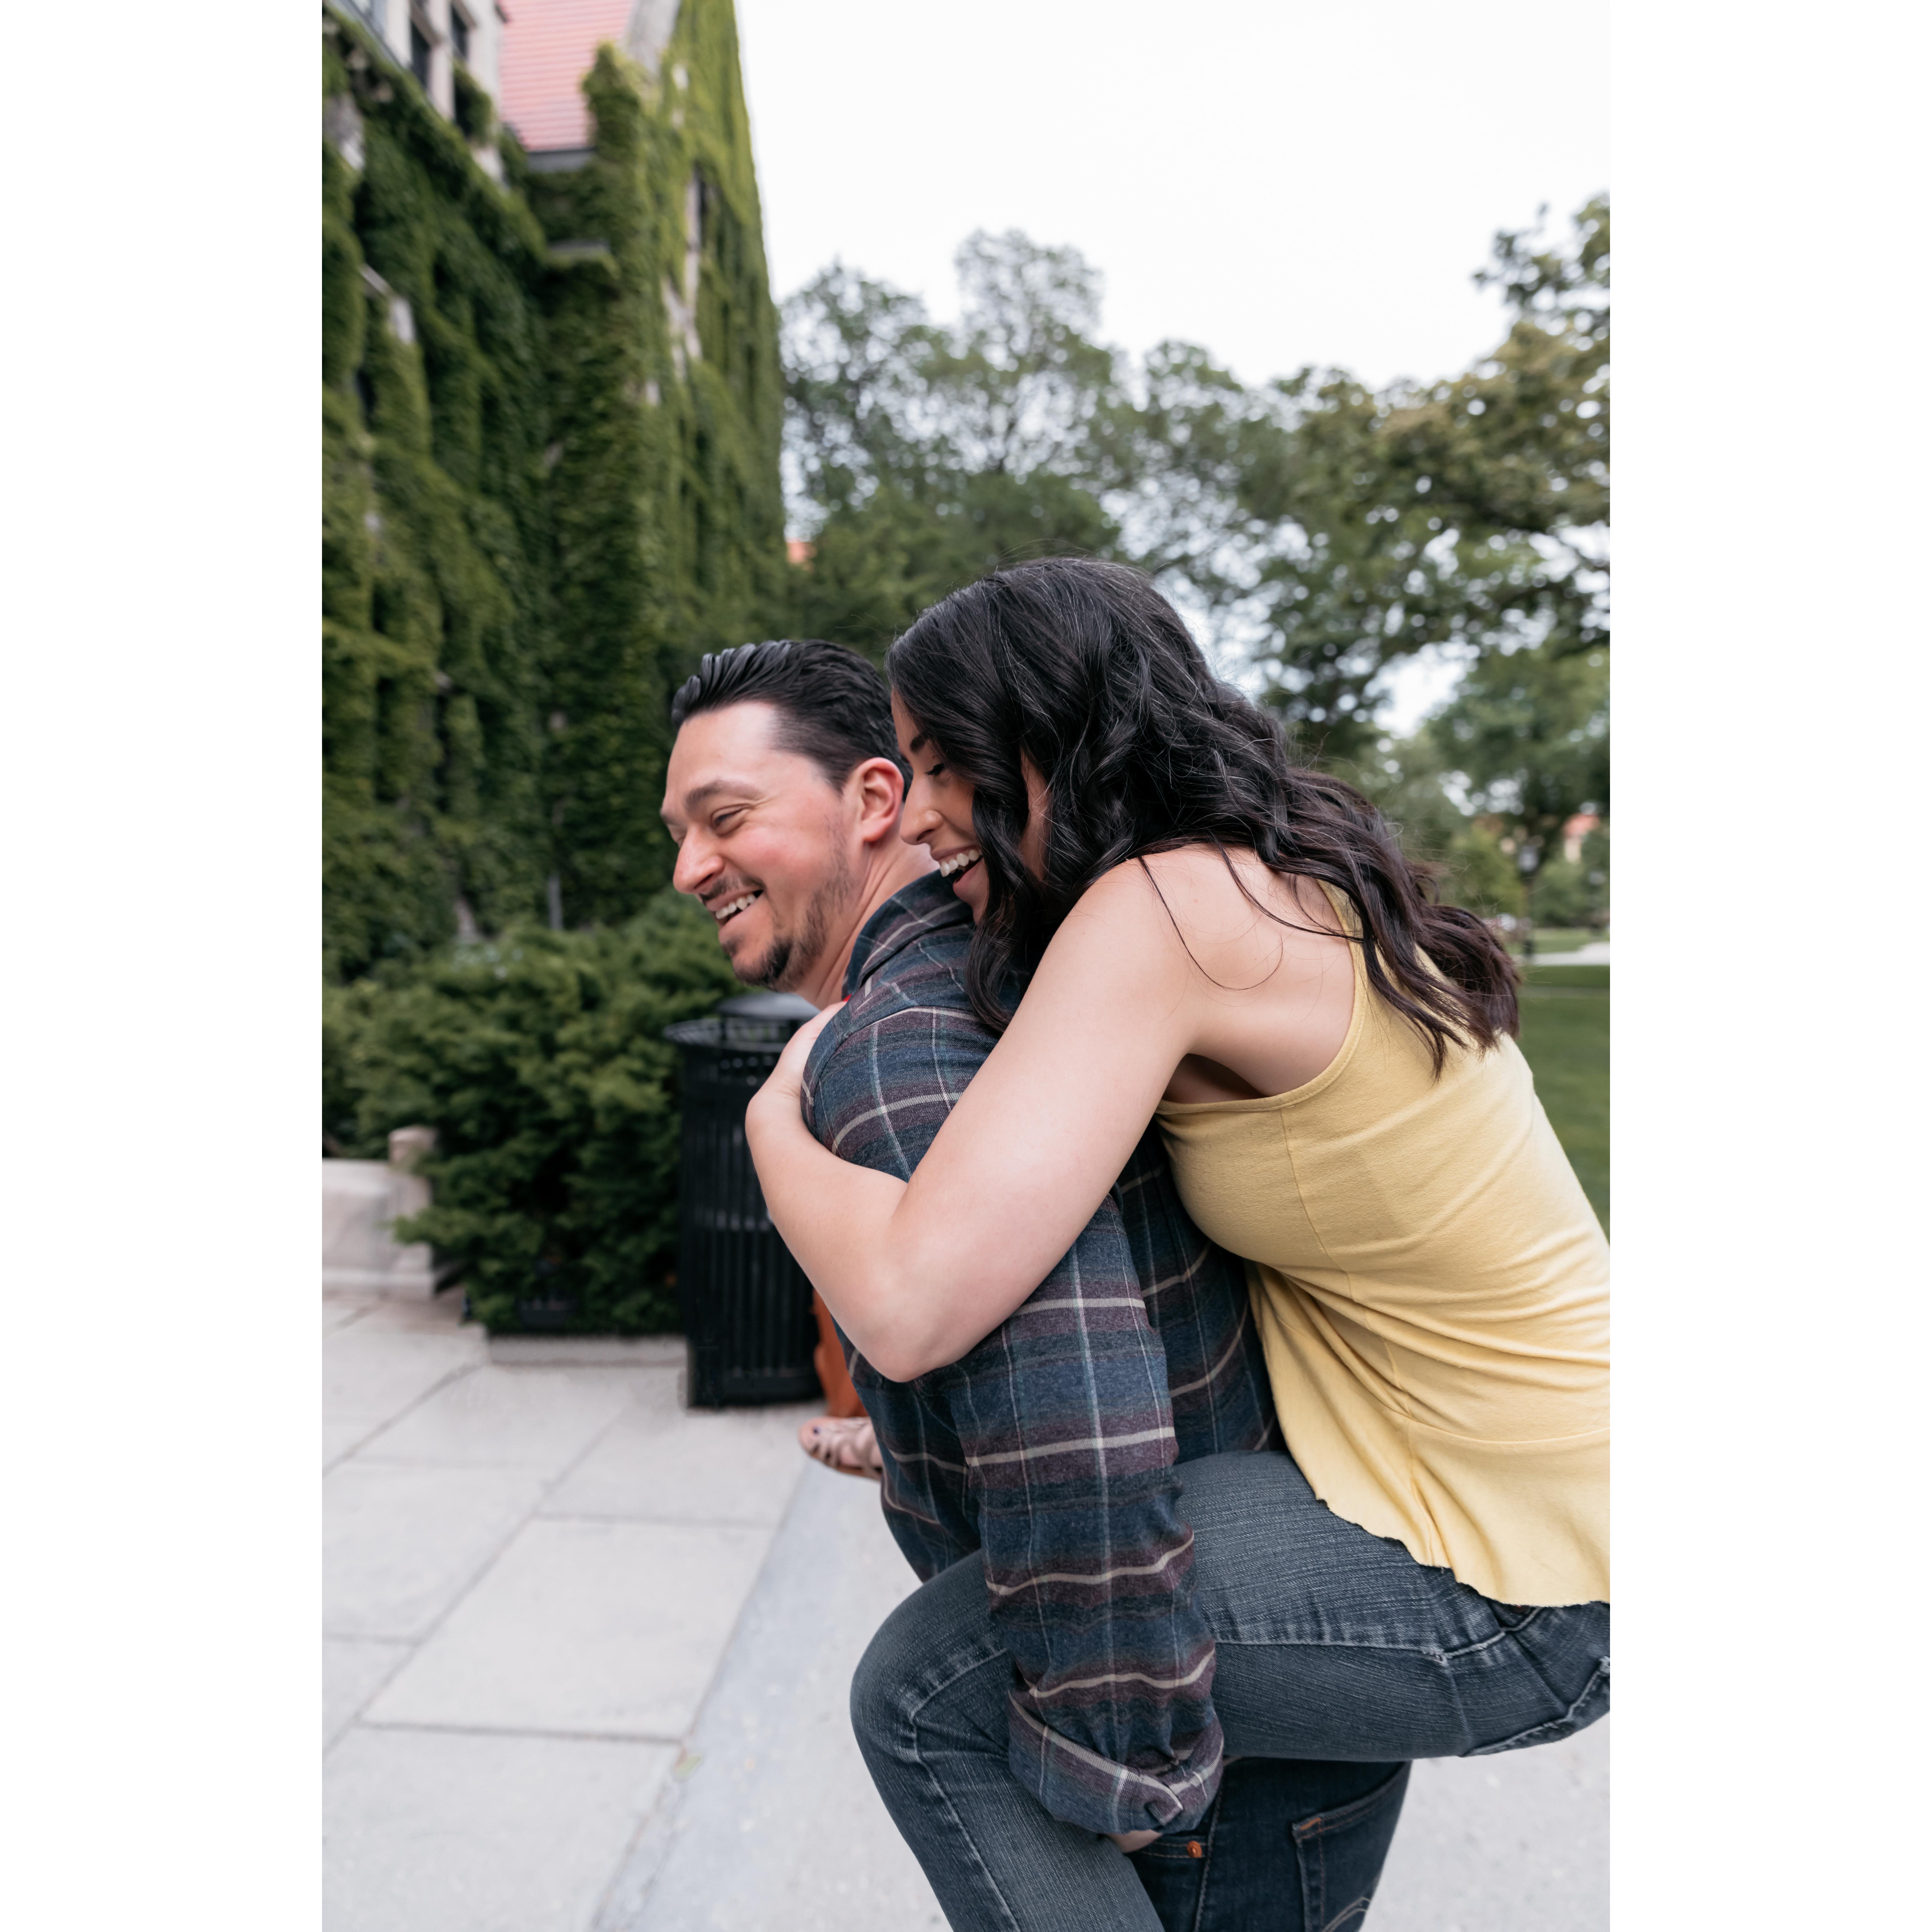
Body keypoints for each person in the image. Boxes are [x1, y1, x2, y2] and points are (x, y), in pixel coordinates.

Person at [744, 561, 1611, 1929]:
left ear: (1037, 737)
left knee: (921, 1700)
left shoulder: (1166, 915)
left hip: (1527, 1574)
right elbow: (1105, 1242)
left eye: (933, 765)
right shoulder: (1273, 872)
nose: (911, 820)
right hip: (1516, 1476)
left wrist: (776, 1120)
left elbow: (913, 1297)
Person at [663, 636, 1412, 1932]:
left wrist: (1124, 1764)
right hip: (1266, 1721)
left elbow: (1081, 1419)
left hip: (1199, 1776)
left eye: (726, 819)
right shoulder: (1007, 971)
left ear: (879, 802)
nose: (687, 868)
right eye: (678, 832)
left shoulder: (896, 1046)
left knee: (911, 1700)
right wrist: (921, 1448)